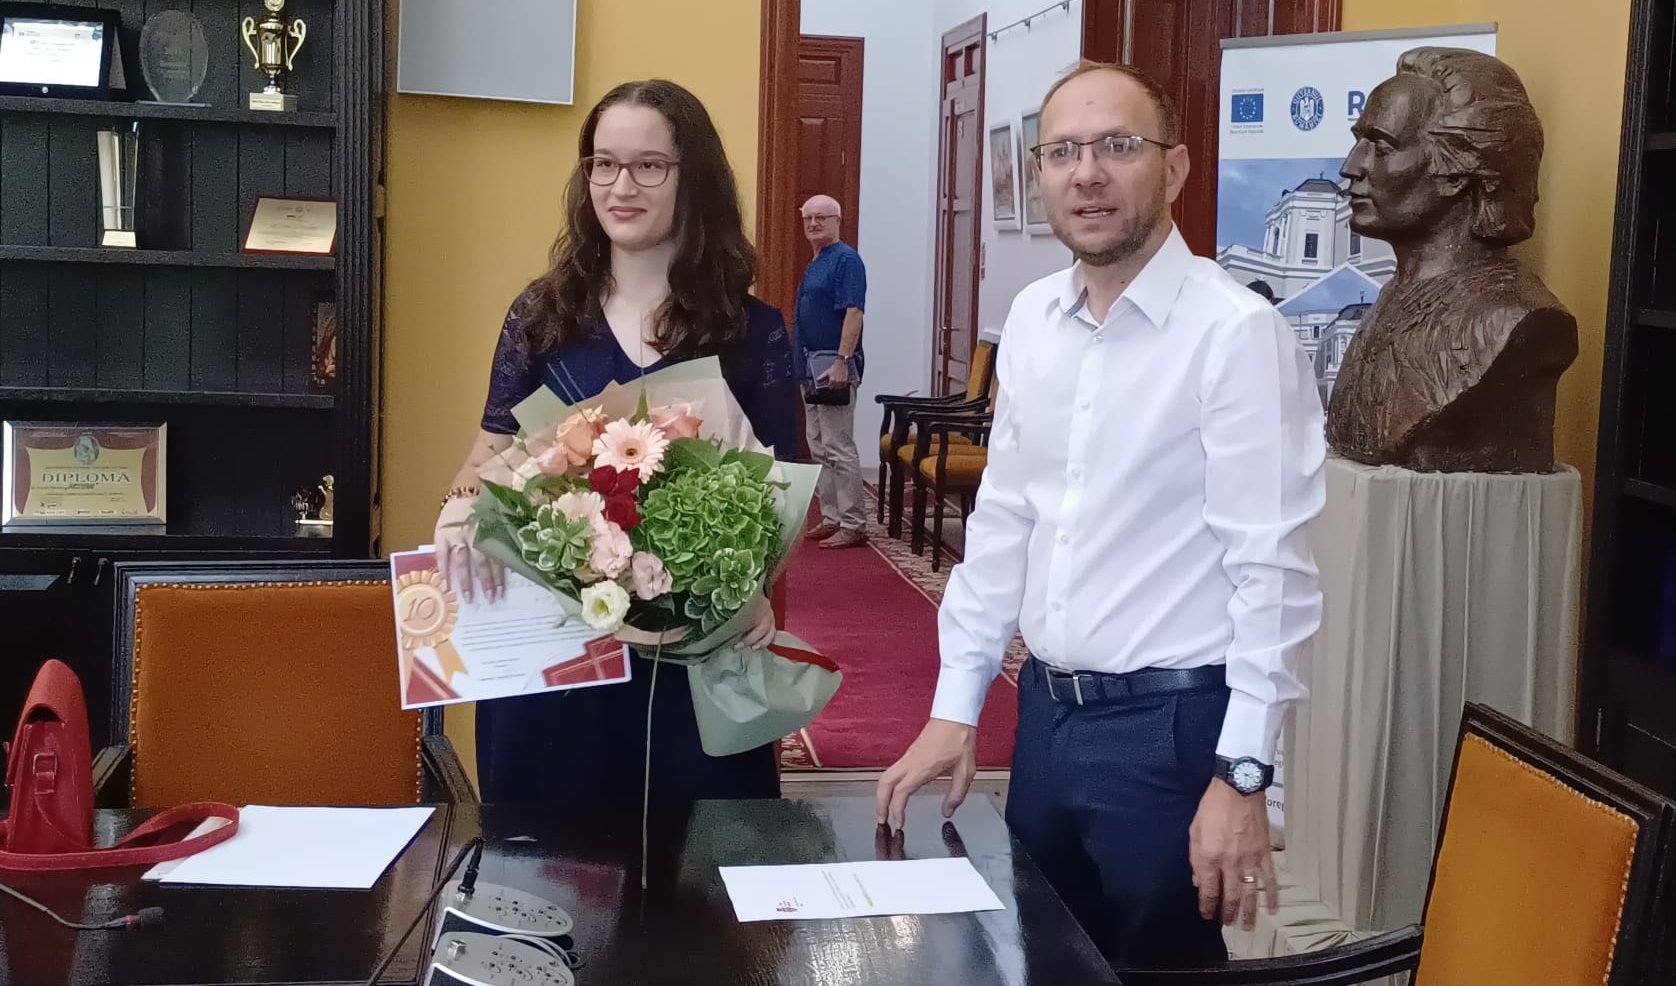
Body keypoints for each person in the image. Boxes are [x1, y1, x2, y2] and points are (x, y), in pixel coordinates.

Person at [874, 61, 1327, 969]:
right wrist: (956, 705)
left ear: (1176, 167)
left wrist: (1242, 774)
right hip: (1047, 716)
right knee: (1043, 958)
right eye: (1062, 152)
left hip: (1170, 730)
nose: (1087, 173)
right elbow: (1002, 524)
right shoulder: (1033, 319)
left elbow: (1271, 569)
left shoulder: (1235, 332)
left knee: (1156, 970)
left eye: (1119, 146)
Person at [432, 78, 800, 807]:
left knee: (703, 862)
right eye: (603, 164)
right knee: (553, 859)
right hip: (558, 661)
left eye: (648, 166)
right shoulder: (541, 314)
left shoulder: (750, 330)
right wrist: (458, 506)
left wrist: (752, 587)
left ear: (692, 178)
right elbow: (487, 455)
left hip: (695, 653)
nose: (620, 186)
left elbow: (783, 490)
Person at [1325, 46, 1577, 472]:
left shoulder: (1517, 319)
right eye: (1358, 142)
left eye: (1381, 147)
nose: (1351, 167)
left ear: (1458, 171)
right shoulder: (1392, 298)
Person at [794, 194, 870, 549]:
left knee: (838, 445)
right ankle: (832, 517)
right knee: (819, 446)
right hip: (809, 369)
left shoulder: (846, 260)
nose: (813, 224)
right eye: (808, 218)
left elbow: (854, 312)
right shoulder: (817, 261)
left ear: (838, 221)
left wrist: (842, 360)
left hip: (833, 368)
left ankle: (853, 523)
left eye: (821, 218)